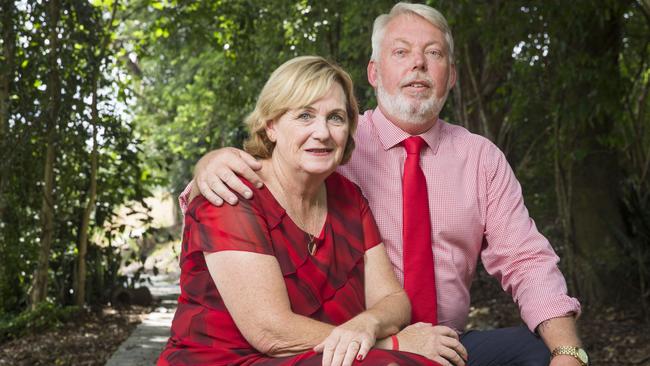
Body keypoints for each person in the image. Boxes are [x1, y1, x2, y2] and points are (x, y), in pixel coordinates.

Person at [183, 3, 589, 366]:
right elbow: (255, 184)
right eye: (401, 52)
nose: (418, 64)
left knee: (532, 352)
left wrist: (567, 352)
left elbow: (527, 260)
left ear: (451, 78)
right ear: (374, 73)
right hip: (350, 346)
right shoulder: (332, 153)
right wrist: (208, 165)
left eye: (434, 54)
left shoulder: (481, 159)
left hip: (442, 341)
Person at [158, 56, 449, 366]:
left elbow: (393, 301)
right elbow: (272, 334)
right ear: (271, 126)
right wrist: (390, 342)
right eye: (305, 115)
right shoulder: (233, 194)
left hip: (326, 355)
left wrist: (368, 324)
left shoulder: (348, 197)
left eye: (336, 118)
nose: (322, 132)